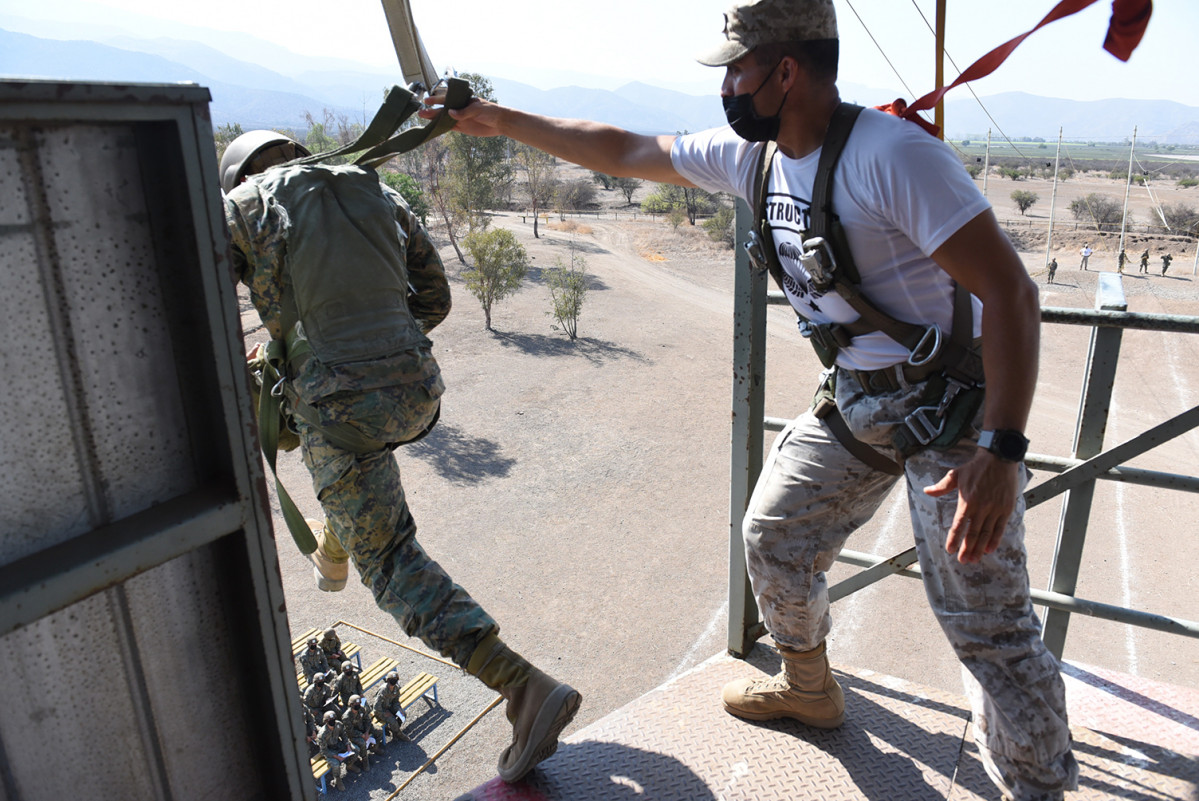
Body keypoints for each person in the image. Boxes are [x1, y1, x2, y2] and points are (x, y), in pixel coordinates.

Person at [424, 1, 1078, 798]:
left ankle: (1040, 788)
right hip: (861, 401)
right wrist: (498, 120)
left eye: (736, 69)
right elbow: (628, 148)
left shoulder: (892, 159)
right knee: (773, 534)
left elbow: (1009, 291)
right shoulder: (753, 158)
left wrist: (1000, 451)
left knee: (988, 630)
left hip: (954, 416)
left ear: (785, 71)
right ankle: (807, 684)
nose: (726, 86)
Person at [220, 130, 581, 783]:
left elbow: (195, 309)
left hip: (338, 409)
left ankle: (523, 686)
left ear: (241, 174)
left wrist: (304, 353)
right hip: (416, 392)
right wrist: (380, 349)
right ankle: (337, 538)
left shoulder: (244, 206)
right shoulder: (374, 190)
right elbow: (435, 299)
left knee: (388, 560)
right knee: (343, 451)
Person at [316, 710, 360, 791]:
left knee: (356, 750)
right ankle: (337, 779)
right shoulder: (322, 734)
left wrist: (348, 745)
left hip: (338, 745)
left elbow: (344, 735)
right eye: (330, 720)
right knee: (336, 764)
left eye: (334, 719)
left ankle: (349, 765)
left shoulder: (338, 724)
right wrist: (336, 757)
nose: (333, 721)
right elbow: (323, 751)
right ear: (326, 721)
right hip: (329, 751)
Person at [343, 694, 383, 765]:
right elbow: (350, 732)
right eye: (356, 704)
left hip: (364, 730)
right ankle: (365, 760)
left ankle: (375, 748)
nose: (358, 705)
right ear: (351, 704)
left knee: (379, 730)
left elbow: (367, 720)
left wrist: (367, 732)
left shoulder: (361, 709)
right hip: (354, 735)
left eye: (359, 703)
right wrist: (362, 735)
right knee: (362, 743)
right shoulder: (346, 717)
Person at [373, 671, 410, 742]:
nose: (394, 681)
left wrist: (399, 709)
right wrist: (384, 713)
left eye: (395, 679)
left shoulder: (396, 688)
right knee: (392, 720)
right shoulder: (383, 690)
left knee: (403, 715)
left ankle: (395, 732)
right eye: (392, 679)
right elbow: (376, 706)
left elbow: (396, 701)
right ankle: (399, 734)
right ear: (388, 680)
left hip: (390, 706)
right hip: (380, 710)